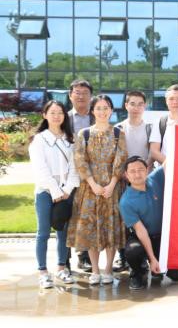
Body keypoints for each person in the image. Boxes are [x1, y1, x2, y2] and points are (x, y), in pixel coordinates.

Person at [67, 94, 128, 286]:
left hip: (112, 189)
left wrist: (112, 184)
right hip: (89, 189)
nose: (102, 111)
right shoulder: (83, 134)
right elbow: (80, 160)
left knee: (110, 228)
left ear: (111, 110)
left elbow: (121, 159)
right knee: (92, 228)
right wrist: (93, 184)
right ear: (92, 111)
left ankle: (108, 269)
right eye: (98, 108)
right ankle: (95, 270)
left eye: (106, 108)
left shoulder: (118, 133)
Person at [29, 100, 79, 288]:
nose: (57, 116)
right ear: (45, 115)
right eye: (52, 112)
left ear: (64, 115)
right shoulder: (38, 140)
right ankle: (43, 272)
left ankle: (61, 268)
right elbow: (40, 169)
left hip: (66, 193)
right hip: (45, 192)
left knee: (63, 232)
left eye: (60, 112)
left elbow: (75, 168)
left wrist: (67, 190)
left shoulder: (70, 139)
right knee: (43, 232)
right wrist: (55, 191)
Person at [119, 156, 178, 290]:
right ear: (126, 175)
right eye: (132, 171)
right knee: (133, 251)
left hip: (162, 238)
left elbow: (170, 161)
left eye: (140, 170)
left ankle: (157, 268)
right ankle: (139, 272)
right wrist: (152, 258)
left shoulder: (155, 179)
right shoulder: (126, 201)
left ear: (147, 169)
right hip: (142, 238)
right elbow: (141, 231)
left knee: (177, 275)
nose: (137, 174)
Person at [113, 90, 153, 273]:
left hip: (144, 179)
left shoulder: (150, 128)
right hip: (123, 179)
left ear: (145, 106)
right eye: (132, 103)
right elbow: (114, 156)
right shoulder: (118, 129)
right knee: (122, 219)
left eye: (140, 104)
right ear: (126, 105)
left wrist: (145, 172)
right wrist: (124, 174)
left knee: (143, 218)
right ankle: (123, 256)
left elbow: (152, 154)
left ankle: (145, 255)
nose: (136, 107)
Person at [67, 79, 94, 271]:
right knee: (67, 217)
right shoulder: (63, 118)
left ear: (91, 97)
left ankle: (83, 256)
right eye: (77, 92)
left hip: (91, 176)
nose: (81, 96)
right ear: (70, 96)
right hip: (68, 175)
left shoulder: (97, 116)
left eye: (85, 93)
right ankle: (64, 259)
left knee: (86, 216)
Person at [149, 84, 178, 165]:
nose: (175, 102)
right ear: (166, 101)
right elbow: (154, 151)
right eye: (171, 99)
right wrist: (171, 165)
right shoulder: (160, 122)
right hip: (165, 170)